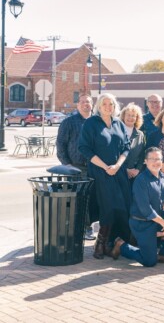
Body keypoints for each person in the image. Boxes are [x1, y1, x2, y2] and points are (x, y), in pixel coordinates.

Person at [110, 147, 164, 266]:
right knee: (149, 261)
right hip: (142, 222)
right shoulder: (141, 180)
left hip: (157, 218)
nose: (155, 162)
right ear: (145, 161)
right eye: (152, 159)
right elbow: (146, 209)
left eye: (158, 159)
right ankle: (121, 246)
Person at [79, 93, 131, 259]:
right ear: (99, 106)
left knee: (122, 208)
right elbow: (84, 148)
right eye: (105, 104)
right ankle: (100, 244)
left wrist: (117, 165)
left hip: (118, 172)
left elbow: (126, 148)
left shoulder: (119, 124)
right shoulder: (91, 123)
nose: (108, 107)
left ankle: (113, 242)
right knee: (107, 207)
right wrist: (106, 167)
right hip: (100, 172)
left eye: (111, 104)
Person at [57, 94, 98, 240]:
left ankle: (88, 225)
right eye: (82, 102)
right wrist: (66, 164)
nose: (85, 104)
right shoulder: (69, 122)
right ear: (78, 105)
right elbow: (61, 144)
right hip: (76, 167)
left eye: (88, 102)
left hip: (95, 167)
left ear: (92, 105)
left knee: (93, 198)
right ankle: (85, 228)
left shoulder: (97, 121)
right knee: (80, 198)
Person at [119, 103, 146, 184]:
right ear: (123, 116)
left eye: (133, 115)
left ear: (137, 118)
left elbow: (142, 155)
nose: (130, 117)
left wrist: (137, 170)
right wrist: (125, 170)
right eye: (128, 115)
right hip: (118, 173)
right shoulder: (116, 131)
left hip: (134, 175)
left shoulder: (140, 134)